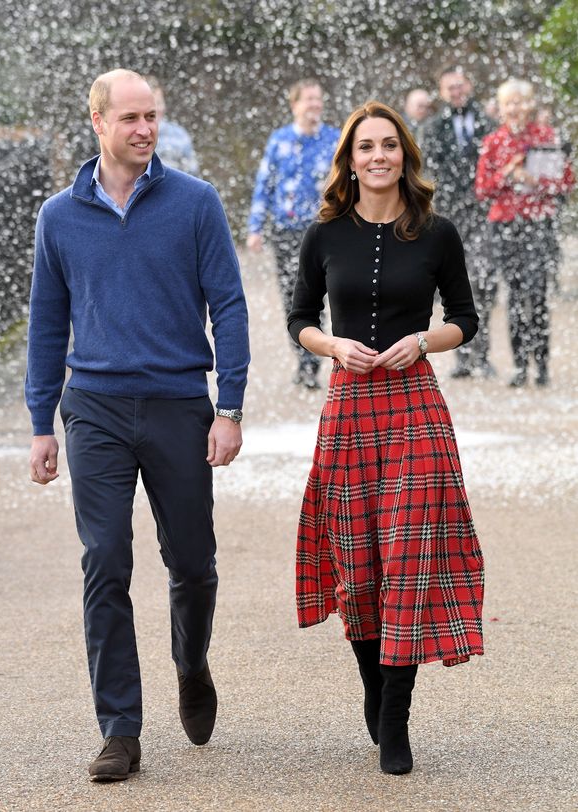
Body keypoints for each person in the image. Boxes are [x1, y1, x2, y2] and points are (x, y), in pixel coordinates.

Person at [25, 69, 250, 781]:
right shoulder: (58, 216)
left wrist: (229, 407)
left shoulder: (194, 203)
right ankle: (119, 727)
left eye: (151, 115)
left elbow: (230, 306)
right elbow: (45, 323)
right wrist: (40, 422)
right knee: (104, 561)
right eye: (130, 118)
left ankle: (191, 660)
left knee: (192, 562)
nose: (144, 129)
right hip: (92, 405)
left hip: (178, 403)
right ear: (97, 123)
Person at [288, 100, 484, 776]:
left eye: (389, 146)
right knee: (357, 563)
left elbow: (465, 318)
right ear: (349, 159)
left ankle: (395, 719)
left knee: (406, 556)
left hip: (413, 407)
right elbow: (298, 318)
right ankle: (374, 687)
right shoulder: (323, 234)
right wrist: (332, 345)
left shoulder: (437, 232)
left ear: (405, 155)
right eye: (365, 147)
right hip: (347, 408)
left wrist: (421, 342)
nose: (378, 156)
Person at [475, 79, 574, 386]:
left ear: (531, 105)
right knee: (515, 296)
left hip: (538, 224)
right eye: (509, 103)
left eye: (521, 102)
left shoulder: (546, 137)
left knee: (539, 294)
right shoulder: (493, 141)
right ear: (501, 109)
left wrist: (538, 182)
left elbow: (566, 183)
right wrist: (508, 173)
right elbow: (482, 190)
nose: (515, 108)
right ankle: (519, 366)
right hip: (505, 225)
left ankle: (542, 365)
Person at [247, 79, 340, 389]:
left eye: (318, 99)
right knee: (294, 296)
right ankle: (305, 361)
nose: (315, 104)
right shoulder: (280, 141)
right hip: (287, 230)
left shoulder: (334, 139)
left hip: (325, 229)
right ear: (294, 104)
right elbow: (265, 185)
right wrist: (255, 227)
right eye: (308, 99)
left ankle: (328, 355)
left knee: (328, 293)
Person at [421, 65, 495, 378]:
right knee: (454, 283)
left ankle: (482, 353)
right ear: (442, 92)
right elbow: (431, 168)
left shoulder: (488, 123)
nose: (456, 91)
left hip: (481, 212)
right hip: (450, 214)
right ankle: (462, 357)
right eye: (450, 87)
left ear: (470, 86)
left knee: (484, 282)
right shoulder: (435, 127)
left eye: (460, 85)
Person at [146, 75, 200, 175]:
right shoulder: (132, 134)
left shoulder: (179, 134)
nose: (158, 108)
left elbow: (193, 173)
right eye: (153, 103)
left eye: (160, 102)